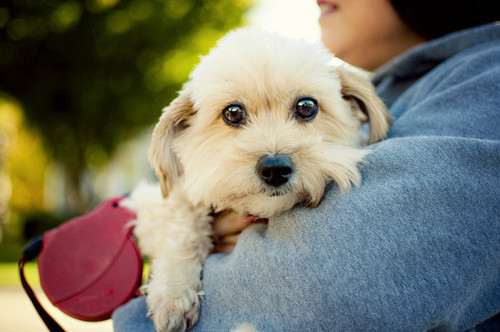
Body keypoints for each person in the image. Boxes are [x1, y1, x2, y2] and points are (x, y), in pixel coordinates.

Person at [113, 0, 500, 330]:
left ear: (361, 110)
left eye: (305, 109)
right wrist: (185, 245)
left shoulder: (485, 84)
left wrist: (136, 320)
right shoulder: (399, 88)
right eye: (234, 114)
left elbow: (327, 292)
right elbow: (172, 200)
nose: (274, 154)